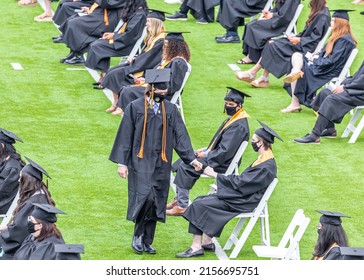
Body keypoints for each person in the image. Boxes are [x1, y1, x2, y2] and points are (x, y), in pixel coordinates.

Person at [109, 69, 202, 255]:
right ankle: (137, 235)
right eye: (159, 91)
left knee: (157, 200)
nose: (163, 94)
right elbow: (125, 136)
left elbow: (180, 136)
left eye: (165, 91)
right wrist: (122, 163)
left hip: (162, 161)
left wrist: (191, 159)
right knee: (145, 197)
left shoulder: (171, 109)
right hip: (140, 161)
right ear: (150, 89)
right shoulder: (135, 107)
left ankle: (148, 240)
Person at [175, 121, 282, 258]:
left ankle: (196, 247)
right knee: (202, 199)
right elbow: (243, 182)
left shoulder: (266, 167)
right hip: (243, 196)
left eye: (254, 140)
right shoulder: (264, 159)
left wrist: (214, 174)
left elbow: (242, 183)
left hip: (244, 201)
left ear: (261, 143)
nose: (252, 142)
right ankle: (207, 242)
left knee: (199, 204)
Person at [166, 87, 251, 216]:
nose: (227, 106)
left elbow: (225, 151)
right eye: (227, 103)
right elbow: (219, 142)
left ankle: (182, 205)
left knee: (187, 165)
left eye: (231, 104)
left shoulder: (239, 125)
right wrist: (204, 149)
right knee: (187, 157)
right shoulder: (233, 118)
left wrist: (205, 154)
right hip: (218, 156)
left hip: (223, 162)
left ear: (239, 105)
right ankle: (178, 199)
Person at [235, 0, 330, 88]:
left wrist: (299, 39)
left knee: (274, 45)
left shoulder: (323, 15)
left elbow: (315, 37)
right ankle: (263, 78)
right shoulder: (319, 11)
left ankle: (253, 73)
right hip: (302, 42)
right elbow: (306, 33)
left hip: (306, 46)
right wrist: (296, 37)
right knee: (270, 43)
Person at [281, 9, 357, 112]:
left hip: (327, 70)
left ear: (340, 22)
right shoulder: (338, 37)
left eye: (333, 20)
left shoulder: (345, 40)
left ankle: (295, 102)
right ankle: (296, 71)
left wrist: (315, 61)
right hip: (323, 66)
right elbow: (325, 54)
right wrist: (315, 56)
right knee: (297, 56)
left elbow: (332, 60)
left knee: (300, 63)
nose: (331, 22)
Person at [98, 9, 166, 114]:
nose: (146, 24)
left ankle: (120, 106)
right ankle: (116, 103)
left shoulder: (160, 40)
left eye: (148, 22)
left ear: (154, 23)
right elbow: (145, 55)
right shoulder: (153, 37)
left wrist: (134, 63)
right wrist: (135, 57)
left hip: (145, 70)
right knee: (111, 72)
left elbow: (150, 60)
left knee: (116, 74)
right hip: (139, 64)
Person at [114, 31, 191, 116]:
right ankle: (135, 117)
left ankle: (136, 118)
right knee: (126, 88)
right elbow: (159, 74)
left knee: (127, 91)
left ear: (174, 47)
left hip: (162, 95)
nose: (164, 47)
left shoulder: (178, 62)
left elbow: (175, 83)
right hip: (154, 89)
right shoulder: (169, 59)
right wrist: (145, 79)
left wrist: (165, 90)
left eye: (166, 44)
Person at [294, 61, 364, 144]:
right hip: (356, 89)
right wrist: (343, 84)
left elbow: (361, 81)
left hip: (360, 93)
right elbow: (357, 76)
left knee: (331, 99)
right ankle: (330, 130)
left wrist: (345, 87)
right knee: (325, 93)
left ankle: (315, 135)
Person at [0, 157, 54, 260]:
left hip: (22, 248)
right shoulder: (38, 195)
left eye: (21, 177)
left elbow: (18, 232)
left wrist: (3, 231)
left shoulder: (34, 203)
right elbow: (18, 225)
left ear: (28, 181)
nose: (18, 180)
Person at [84, 0, 148, 77]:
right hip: (123, 40)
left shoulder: (139, 14)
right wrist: (113, 34)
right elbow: (126, 31)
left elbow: (130, 34)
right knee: (98, 44)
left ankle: (104, 75)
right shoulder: (136, 11)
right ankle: (104, 75)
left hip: (128, 45)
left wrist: (114, 36)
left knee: (97, 46)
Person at [58, 0, 126, 65]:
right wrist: (90, 9)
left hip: (108, 19)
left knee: (74, 24)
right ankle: (74, 52)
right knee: (71, 20)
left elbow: (109, 3)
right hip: (101, 14)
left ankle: (79, 55)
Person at [0, 129, 25, 215]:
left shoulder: (12, 168)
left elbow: (2, 191)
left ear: (2, 146)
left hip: (3, 206)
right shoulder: (5, 160)